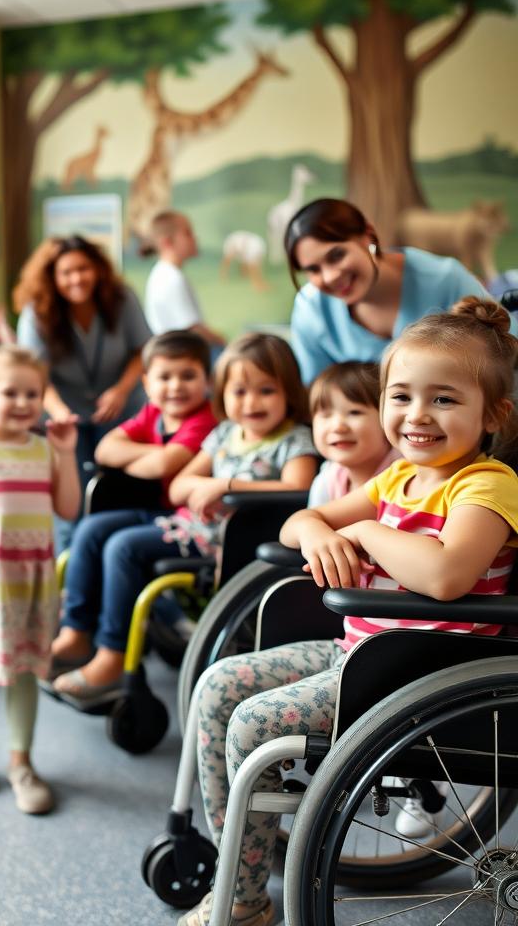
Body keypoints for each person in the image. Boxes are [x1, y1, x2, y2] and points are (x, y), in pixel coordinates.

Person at [177, 297, 518, 926]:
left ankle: (244, 902)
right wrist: (319, 534)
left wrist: (360, 534)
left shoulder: (486, 483)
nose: (417, 416)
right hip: (361, 651)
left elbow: (446, 574)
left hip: (416, 672)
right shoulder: (395, 480)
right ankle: (243, 875)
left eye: (444, 399)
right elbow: (296, 523)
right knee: (217, 685)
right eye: (401, 396)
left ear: (494, 414)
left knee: (253, 722)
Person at [48, 331, 217, 704]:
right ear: (146, 383)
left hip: (193, 522)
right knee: (90, 529)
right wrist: (150, 459)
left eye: (187, 376)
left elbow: (164, 463)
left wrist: (144, 458)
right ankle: (76, 633)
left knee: (121, 546)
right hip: (159, 510)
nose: (175, 386)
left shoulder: (204, 421)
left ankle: (112, 655)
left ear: (207, 380)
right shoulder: (153, 414)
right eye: (165, 377)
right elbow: (108, 449)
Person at [0, 345, 80, 814]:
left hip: (32, 582)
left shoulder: (43, 449)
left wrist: (65, 453)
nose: (24, 403)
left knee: (25, 671)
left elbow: (68, 508)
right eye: (11, 393)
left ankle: (21, 762)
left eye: (33, 394)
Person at [14, 235, 152, 545]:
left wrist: (120, 390)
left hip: (121, 409)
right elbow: (36, 374)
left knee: (119, 491)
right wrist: (60, 410)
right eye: (66, 272)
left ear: (98, 269)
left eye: (84, 269)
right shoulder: (37, 313)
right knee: (69, 498)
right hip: (66, 414)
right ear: (53, 277)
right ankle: (68, 568)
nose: (77, 278)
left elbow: (142, 349)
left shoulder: (121, 298)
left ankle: (112, 553)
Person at [285, 197, 510, 384]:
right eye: (313, 269)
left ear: (367, 234)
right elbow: (318, 397)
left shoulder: (446, 280)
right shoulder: (310, 308)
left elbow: (508, 356)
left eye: (337, 255)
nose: (330, 276)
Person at [157, 333, 319, 561]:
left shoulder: (295, 440)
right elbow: (177, 490)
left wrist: (229, 486)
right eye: (239, 392)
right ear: (223, 394)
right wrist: (213, 486)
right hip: (195, 529)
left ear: (289, 392)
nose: (251, 403)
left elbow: (297, 487)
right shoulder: (224, 433)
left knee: (124, 548)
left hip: (239, 542)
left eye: (266, 391)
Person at [306, 361, 395, 507]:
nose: (338, 427)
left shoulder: (406, 474)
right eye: (326, 415)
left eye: (354, 412)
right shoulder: (328, 479)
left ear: (387, 417)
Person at [142, 211, 225, 346]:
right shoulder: (171, 278)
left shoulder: (166, 273)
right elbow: (194, 330)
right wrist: (223, 341)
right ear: (167, 242)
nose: (195, 238)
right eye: (188, 233)